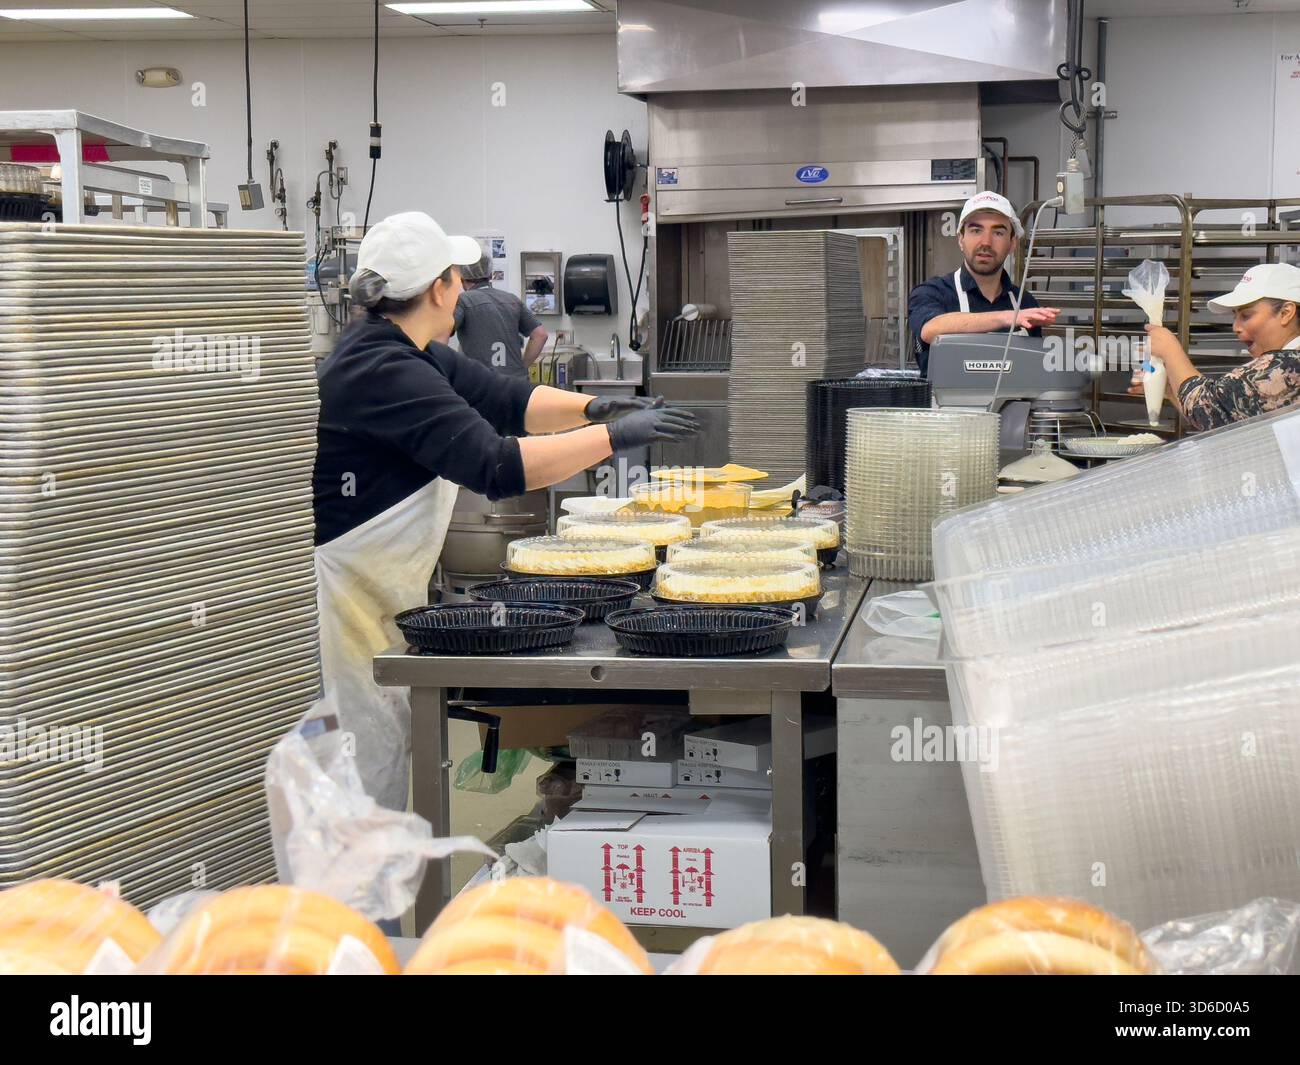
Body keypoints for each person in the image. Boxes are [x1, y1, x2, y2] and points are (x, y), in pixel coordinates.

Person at [310, 211, 697, 810]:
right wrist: (615, 440)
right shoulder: (381, 369)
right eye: (456, 277)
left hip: (376, 589)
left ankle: (363, 894)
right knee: (361, 772)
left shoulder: (405, 349)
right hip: (344, 602)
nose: (464, 287)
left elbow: (506, 397)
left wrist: (600, 409)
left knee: (379, 755)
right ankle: (350, 902)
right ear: (439, 288)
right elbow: (495, 465)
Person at [907, 191, 1061, 375]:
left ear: (1012, 244)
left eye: (998, 232)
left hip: (1014, 403)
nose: (986, 242)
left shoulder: (1024, 302)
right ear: (960, 239)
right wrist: (1008, 317)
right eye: (976, 230)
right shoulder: (932, 292)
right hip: (946, 404)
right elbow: (931, 330)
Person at [1136, 263, 1300, 431]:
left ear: (1286, 313)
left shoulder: (1290, 365)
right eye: (1235, 316)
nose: (1236, 327)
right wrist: (1173, 390)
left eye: (1246, 315)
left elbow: (1207, 406)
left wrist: (1170, 351)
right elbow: (1222, 419)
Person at [451, 252, 547, 378]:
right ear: (490, 275)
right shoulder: (512, 300)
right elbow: (540, 335)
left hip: (482, 384)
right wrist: (521, 368)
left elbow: (442, 331)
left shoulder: (464, 301)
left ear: (461, 278)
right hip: (516, 383)